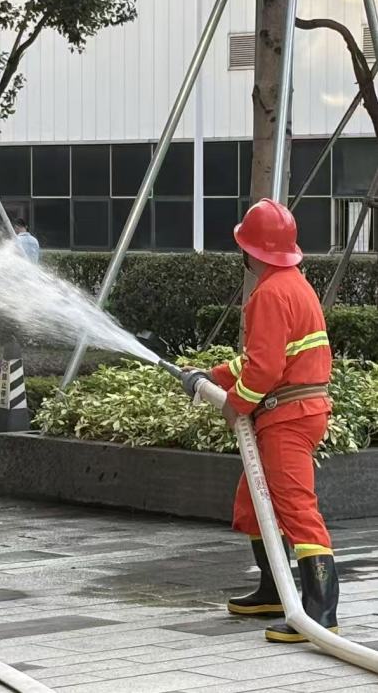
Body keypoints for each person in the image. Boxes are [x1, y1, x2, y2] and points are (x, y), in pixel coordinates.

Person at [186, 198, 338, 644]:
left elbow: (265, 370)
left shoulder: (269, 294)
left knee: (296, 509)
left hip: (287, 416)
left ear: (250, 251)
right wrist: (212, 376)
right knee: (253, 503)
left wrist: (234, 403)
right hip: (295, 411)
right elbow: (263, 358)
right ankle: (275, 592)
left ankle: (320, 613)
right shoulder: (295, 285)